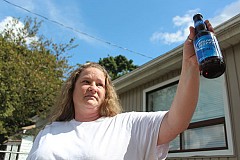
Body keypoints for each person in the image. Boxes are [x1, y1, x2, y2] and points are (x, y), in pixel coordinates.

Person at [27, 20, 214, 160]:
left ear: (106, 94)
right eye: (86, 82)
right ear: (72, 90)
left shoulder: (127, 125)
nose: (93, 88)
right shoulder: (48, 131)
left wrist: (190, 65)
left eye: (100, 84)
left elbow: (176, 122)